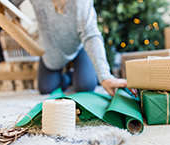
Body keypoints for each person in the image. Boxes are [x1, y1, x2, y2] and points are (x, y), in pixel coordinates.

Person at [8, 0, 136, 97]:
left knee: (85, 86)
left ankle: (83, 71)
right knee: (46, 89)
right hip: (51, 47)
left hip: (79, 45)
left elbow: (91, 34)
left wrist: (105, 76)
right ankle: (69, 77)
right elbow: (8, 4)